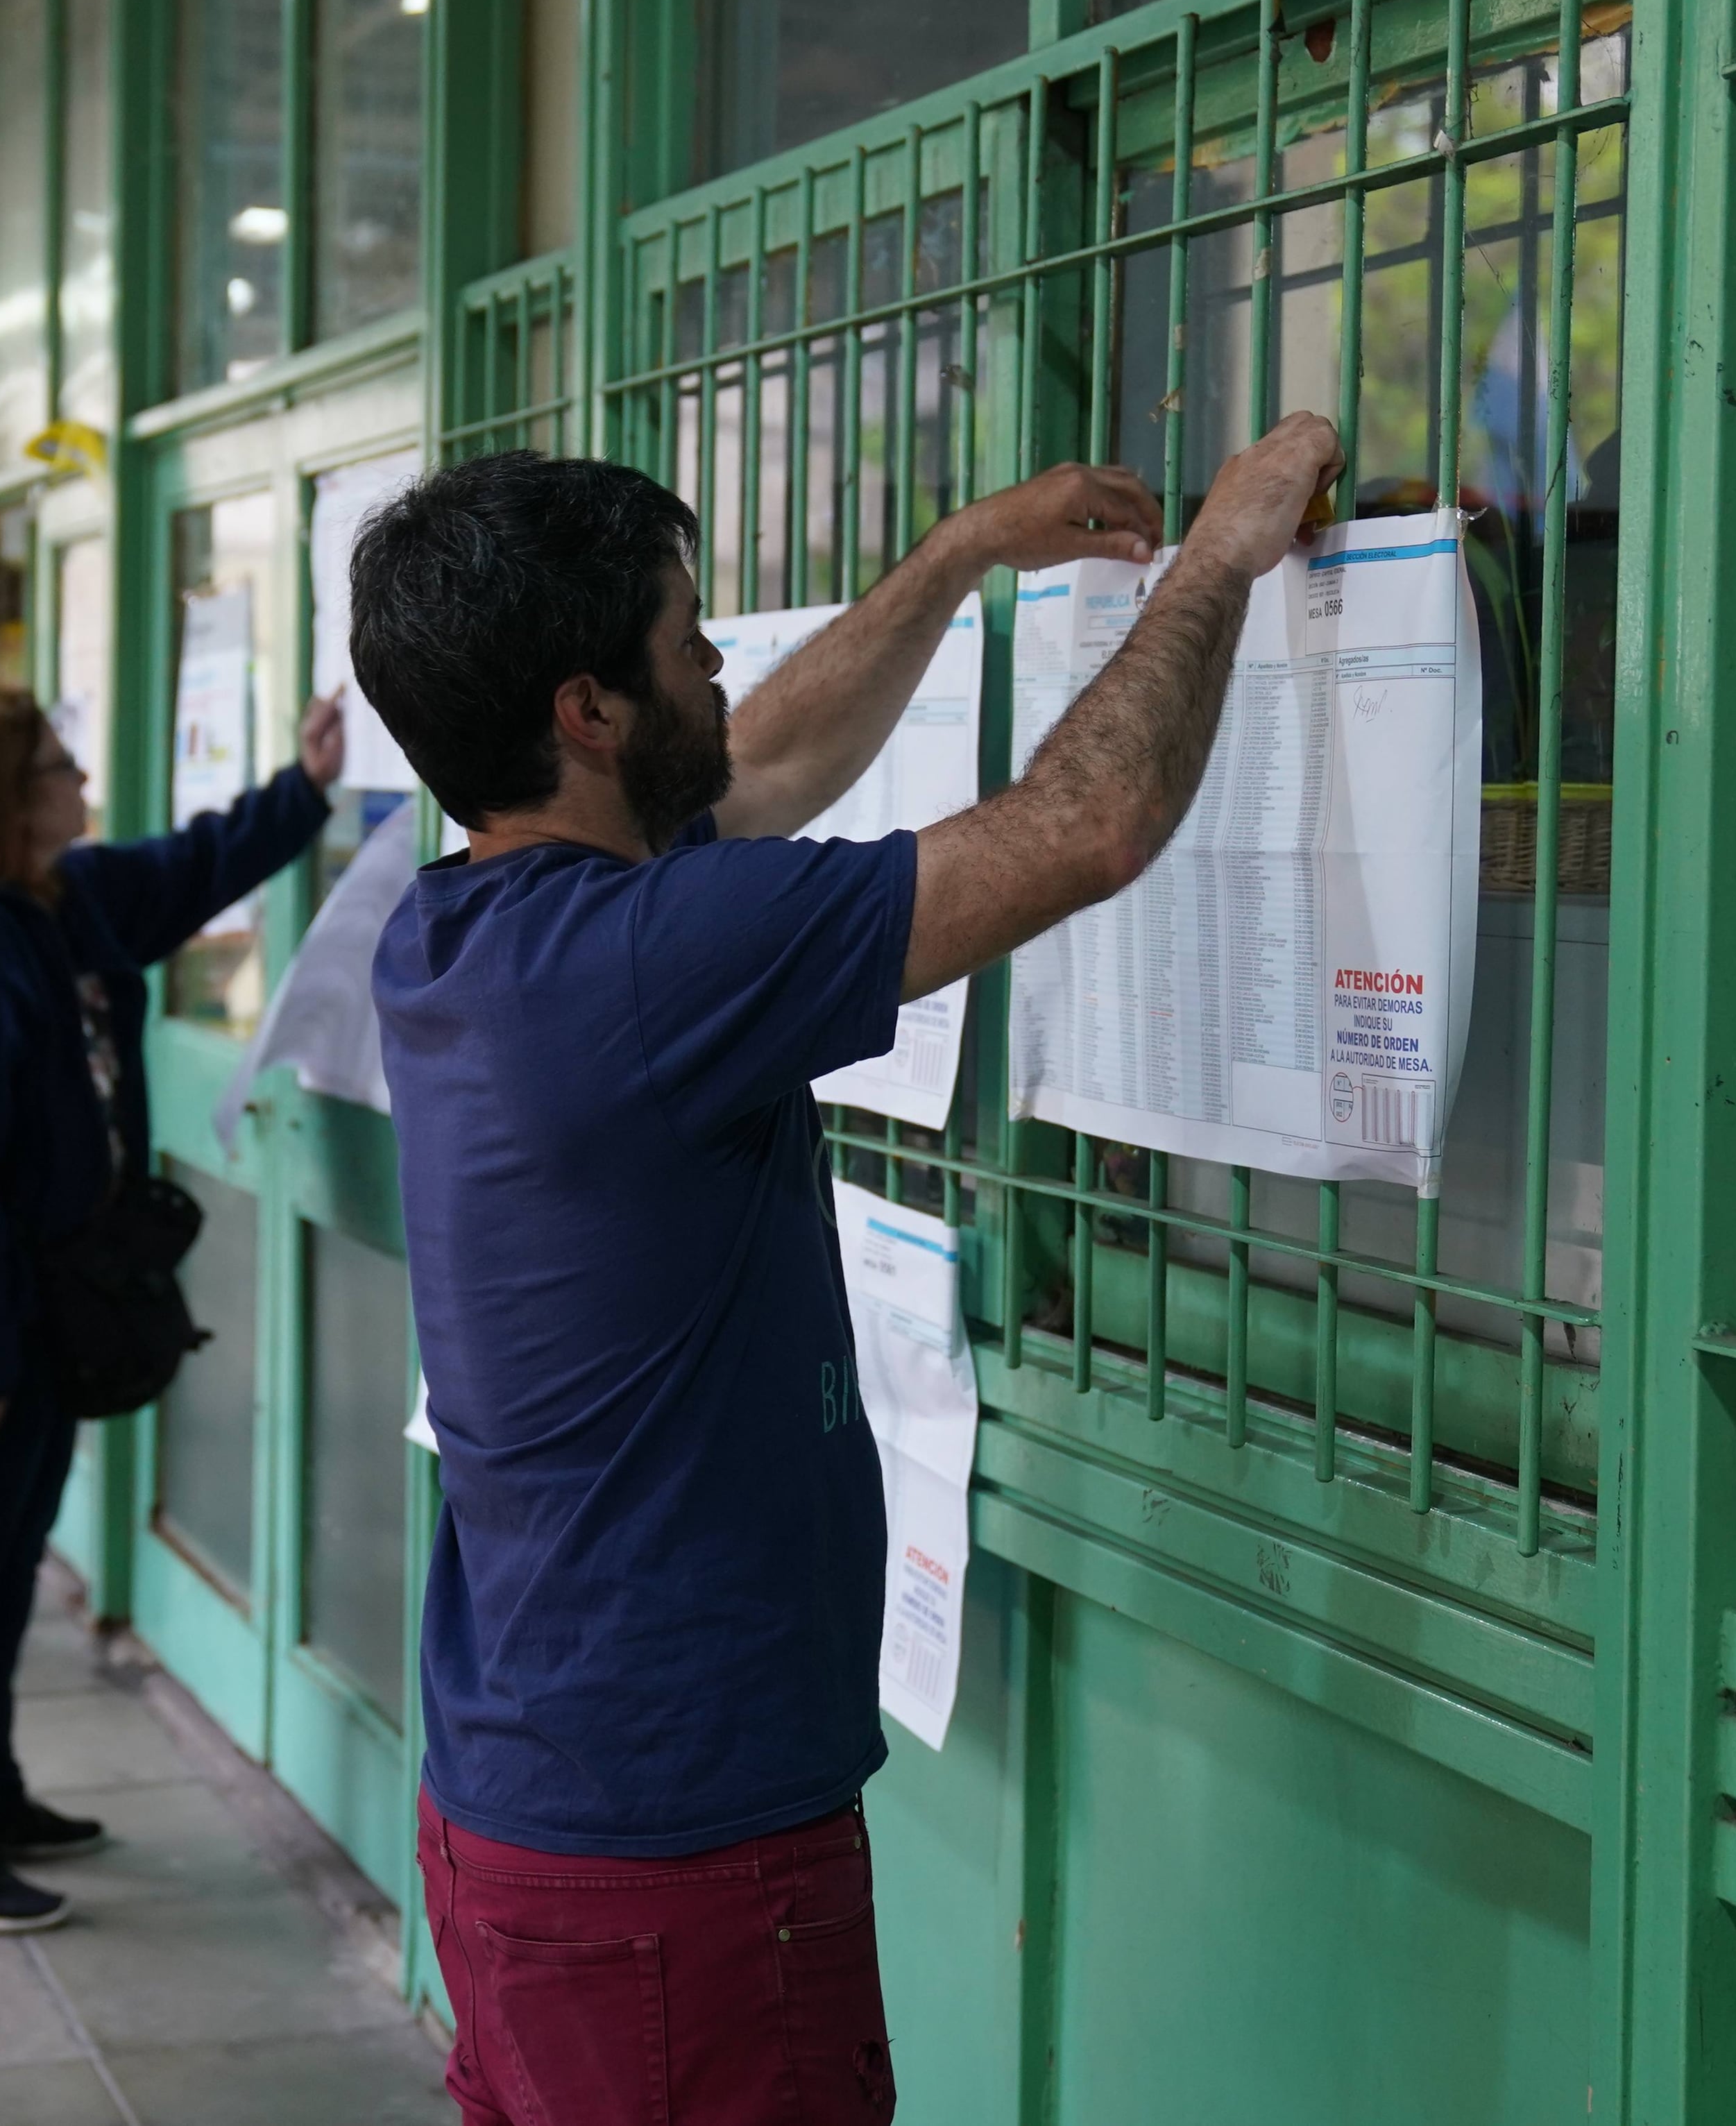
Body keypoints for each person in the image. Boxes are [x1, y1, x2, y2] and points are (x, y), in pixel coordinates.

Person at [348, 418, 1343, 2125]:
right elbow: (1091, 822)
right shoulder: (648, 970)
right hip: (680, 1858)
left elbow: (762, 769)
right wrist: (1223, 556)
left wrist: (961, 554)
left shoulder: (463, 931)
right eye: (683, 637)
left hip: (530, 1815)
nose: (719, 656)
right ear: (585, 710)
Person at [0, 684, 342, 1933]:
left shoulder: (53, 901)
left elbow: (186, 871)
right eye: (61, 770)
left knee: (7, 1557)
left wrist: (305, 786)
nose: (84, 784)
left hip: (38, 1298)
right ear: (3, 803)